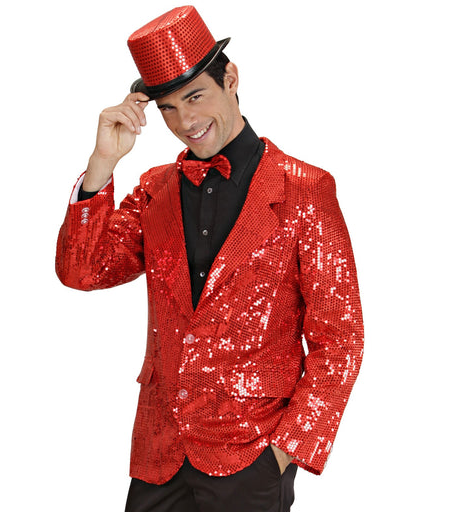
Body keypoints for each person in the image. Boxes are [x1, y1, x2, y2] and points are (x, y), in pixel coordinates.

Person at [56, 5, 364, 512]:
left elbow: (340, 338)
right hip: (160, 452)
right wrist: (103, 164)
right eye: (168, 109)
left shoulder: (305, 189)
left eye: (195, 97)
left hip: (252, 454)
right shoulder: (155, 189)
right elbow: (82, 271)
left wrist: (286, 450)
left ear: (231, 79)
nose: (186, 122)